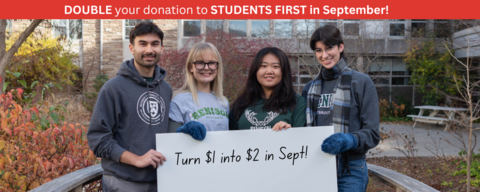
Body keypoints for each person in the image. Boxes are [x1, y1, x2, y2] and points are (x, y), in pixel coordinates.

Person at [87, 22, 171, 192]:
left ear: (162, 48)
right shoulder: (113, 88)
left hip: (161, 180)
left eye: (155, 44)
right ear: (131, 48)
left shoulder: (167, 89)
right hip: (123, 182)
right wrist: (136, 159)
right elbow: (98, 139)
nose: (149, 50)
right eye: (143, 44)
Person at [302, 25, 380, 192]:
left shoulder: (362, 83)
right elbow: (302, 132)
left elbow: (372, 134)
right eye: (318, 50)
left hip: (351, 169)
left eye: (329, 47)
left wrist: (349, 140)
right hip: (316, 165)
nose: (324, 55)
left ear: (341, 47)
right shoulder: (309, 89)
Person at [229, 47, 306, 131]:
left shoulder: (297, 102)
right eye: (263, 66)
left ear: (284, 71)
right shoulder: (241, 103)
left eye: (275, 66)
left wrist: (289, 131)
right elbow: (229, 138)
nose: (269, 71)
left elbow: (300, 138)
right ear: (255, 70)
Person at [168, 42, 229, 132]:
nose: (206, 68)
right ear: (190, 67)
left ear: (217, 67)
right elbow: (173, 140)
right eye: (200, 63)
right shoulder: (178, 101)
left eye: (211, 63)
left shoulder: (224, 102)